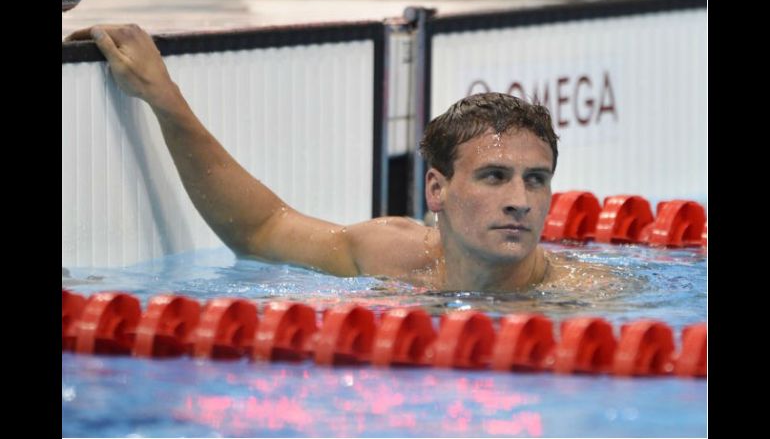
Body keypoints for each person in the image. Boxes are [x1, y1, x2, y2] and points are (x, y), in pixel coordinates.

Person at [65, 24, 591, 292]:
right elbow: (262, 228)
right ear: (437, 189)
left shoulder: (578, 299)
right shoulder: (390, 254)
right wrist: (163, 97)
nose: (520, 201)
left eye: (536, 179)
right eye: (495, 177)